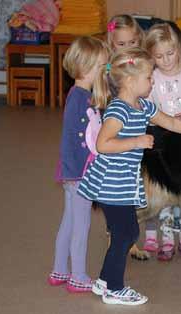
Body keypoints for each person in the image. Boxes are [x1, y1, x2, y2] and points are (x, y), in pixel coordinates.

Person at [78, 48, 181, 306]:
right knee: (126, 233)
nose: (153, 81)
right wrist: (136, 141)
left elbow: (171, 123)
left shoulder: (143, 105)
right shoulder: (119, 110)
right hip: (111, 182)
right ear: (130, 81)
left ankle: (105, 281)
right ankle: (115, 289)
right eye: (149, 77)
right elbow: (103, 143)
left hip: (123, 181)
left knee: (125, 231)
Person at [48, 36, 109, 293]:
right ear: (86, 68)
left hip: (74, 174)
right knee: (80, 225)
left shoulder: (81, 95)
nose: (104, 72)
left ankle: (59, 270)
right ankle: (78, 276)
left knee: (69, 221)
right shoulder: (79, 99)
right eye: (101, 67)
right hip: (79, 175)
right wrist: (79, 173)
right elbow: (74, 141)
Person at [142, 23, 181, 261]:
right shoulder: (152, 78)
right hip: (162, 144)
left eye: (170, 53)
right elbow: (147, 110)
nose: (166, 61)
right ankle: (166, 239)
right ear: (151, 57)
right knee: (164, 193)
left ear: (180, 48)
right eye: (158, 56)